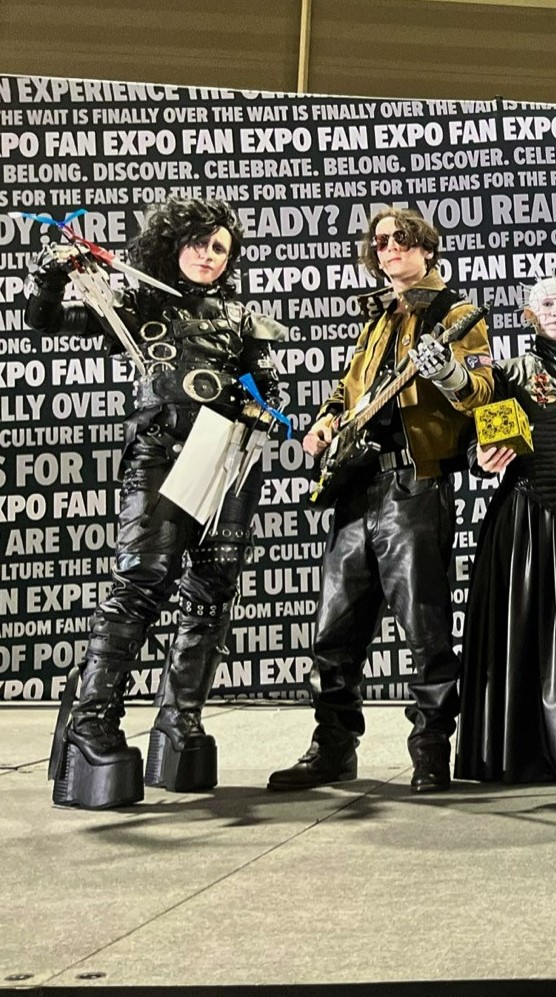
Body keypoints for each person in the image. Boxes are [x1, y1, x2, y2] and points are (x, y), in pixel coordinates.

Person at [27, 197, 286, 809]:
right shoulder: (137, 303)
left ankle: (180, 720)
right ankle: (93, 723)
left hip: (230, 459)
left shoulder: (244, 318)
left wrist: (264, 408)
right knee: (141, 580)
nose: (209, 255)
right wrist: (51, 275)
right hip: (161, 454)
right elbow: (46, 321)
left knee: (212, 591)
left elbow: (271, 385)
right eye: (199, 242)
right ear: (173, 244)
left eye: (220, 247)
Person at [268, 207, 493, 794]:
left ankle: (430, 750)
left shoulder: (456, 314)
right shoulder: (376, 318)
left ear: (426, 247)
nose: (390, 247)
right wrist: (326, 421)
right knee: (333, 630)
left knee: (426, 630)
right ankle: (332, 747)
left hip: (415, 483)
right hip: (357, 484)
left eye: (402, 238)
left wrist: (447, 373)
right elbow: (349, 391)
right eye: (381, 241)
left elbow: (481, 390)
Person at [455, 274, 556, 784]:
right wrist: (480, 454)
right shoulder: (506, 373)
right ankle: (517, 754)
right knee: (518, 635)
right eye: (547, 304)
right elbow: (475, 435)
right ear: (528, 315)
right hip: (522, 520)